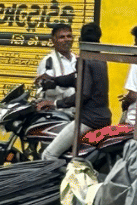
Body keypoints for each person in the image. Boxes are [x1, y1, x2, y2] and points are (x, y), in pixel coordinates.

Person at [39, 22, 112, 160]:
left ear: (79, 40)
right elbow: (75, 78)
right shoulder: (100, 58)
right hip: (103, 117)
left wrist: (56, 103)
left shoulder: (84, 60)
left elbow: (83, 94)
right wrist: (55, 80)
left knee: (48, 155)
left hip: (88, 119)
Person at [36, 23, 77, 105]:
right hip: (57, 112)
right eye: (62, 37)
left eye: (69, 36)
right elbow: (46, 89)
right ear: (53, 40)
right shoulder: (49, 60)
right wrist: (68, 90)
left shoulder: (76, 59)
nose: (66, 39)